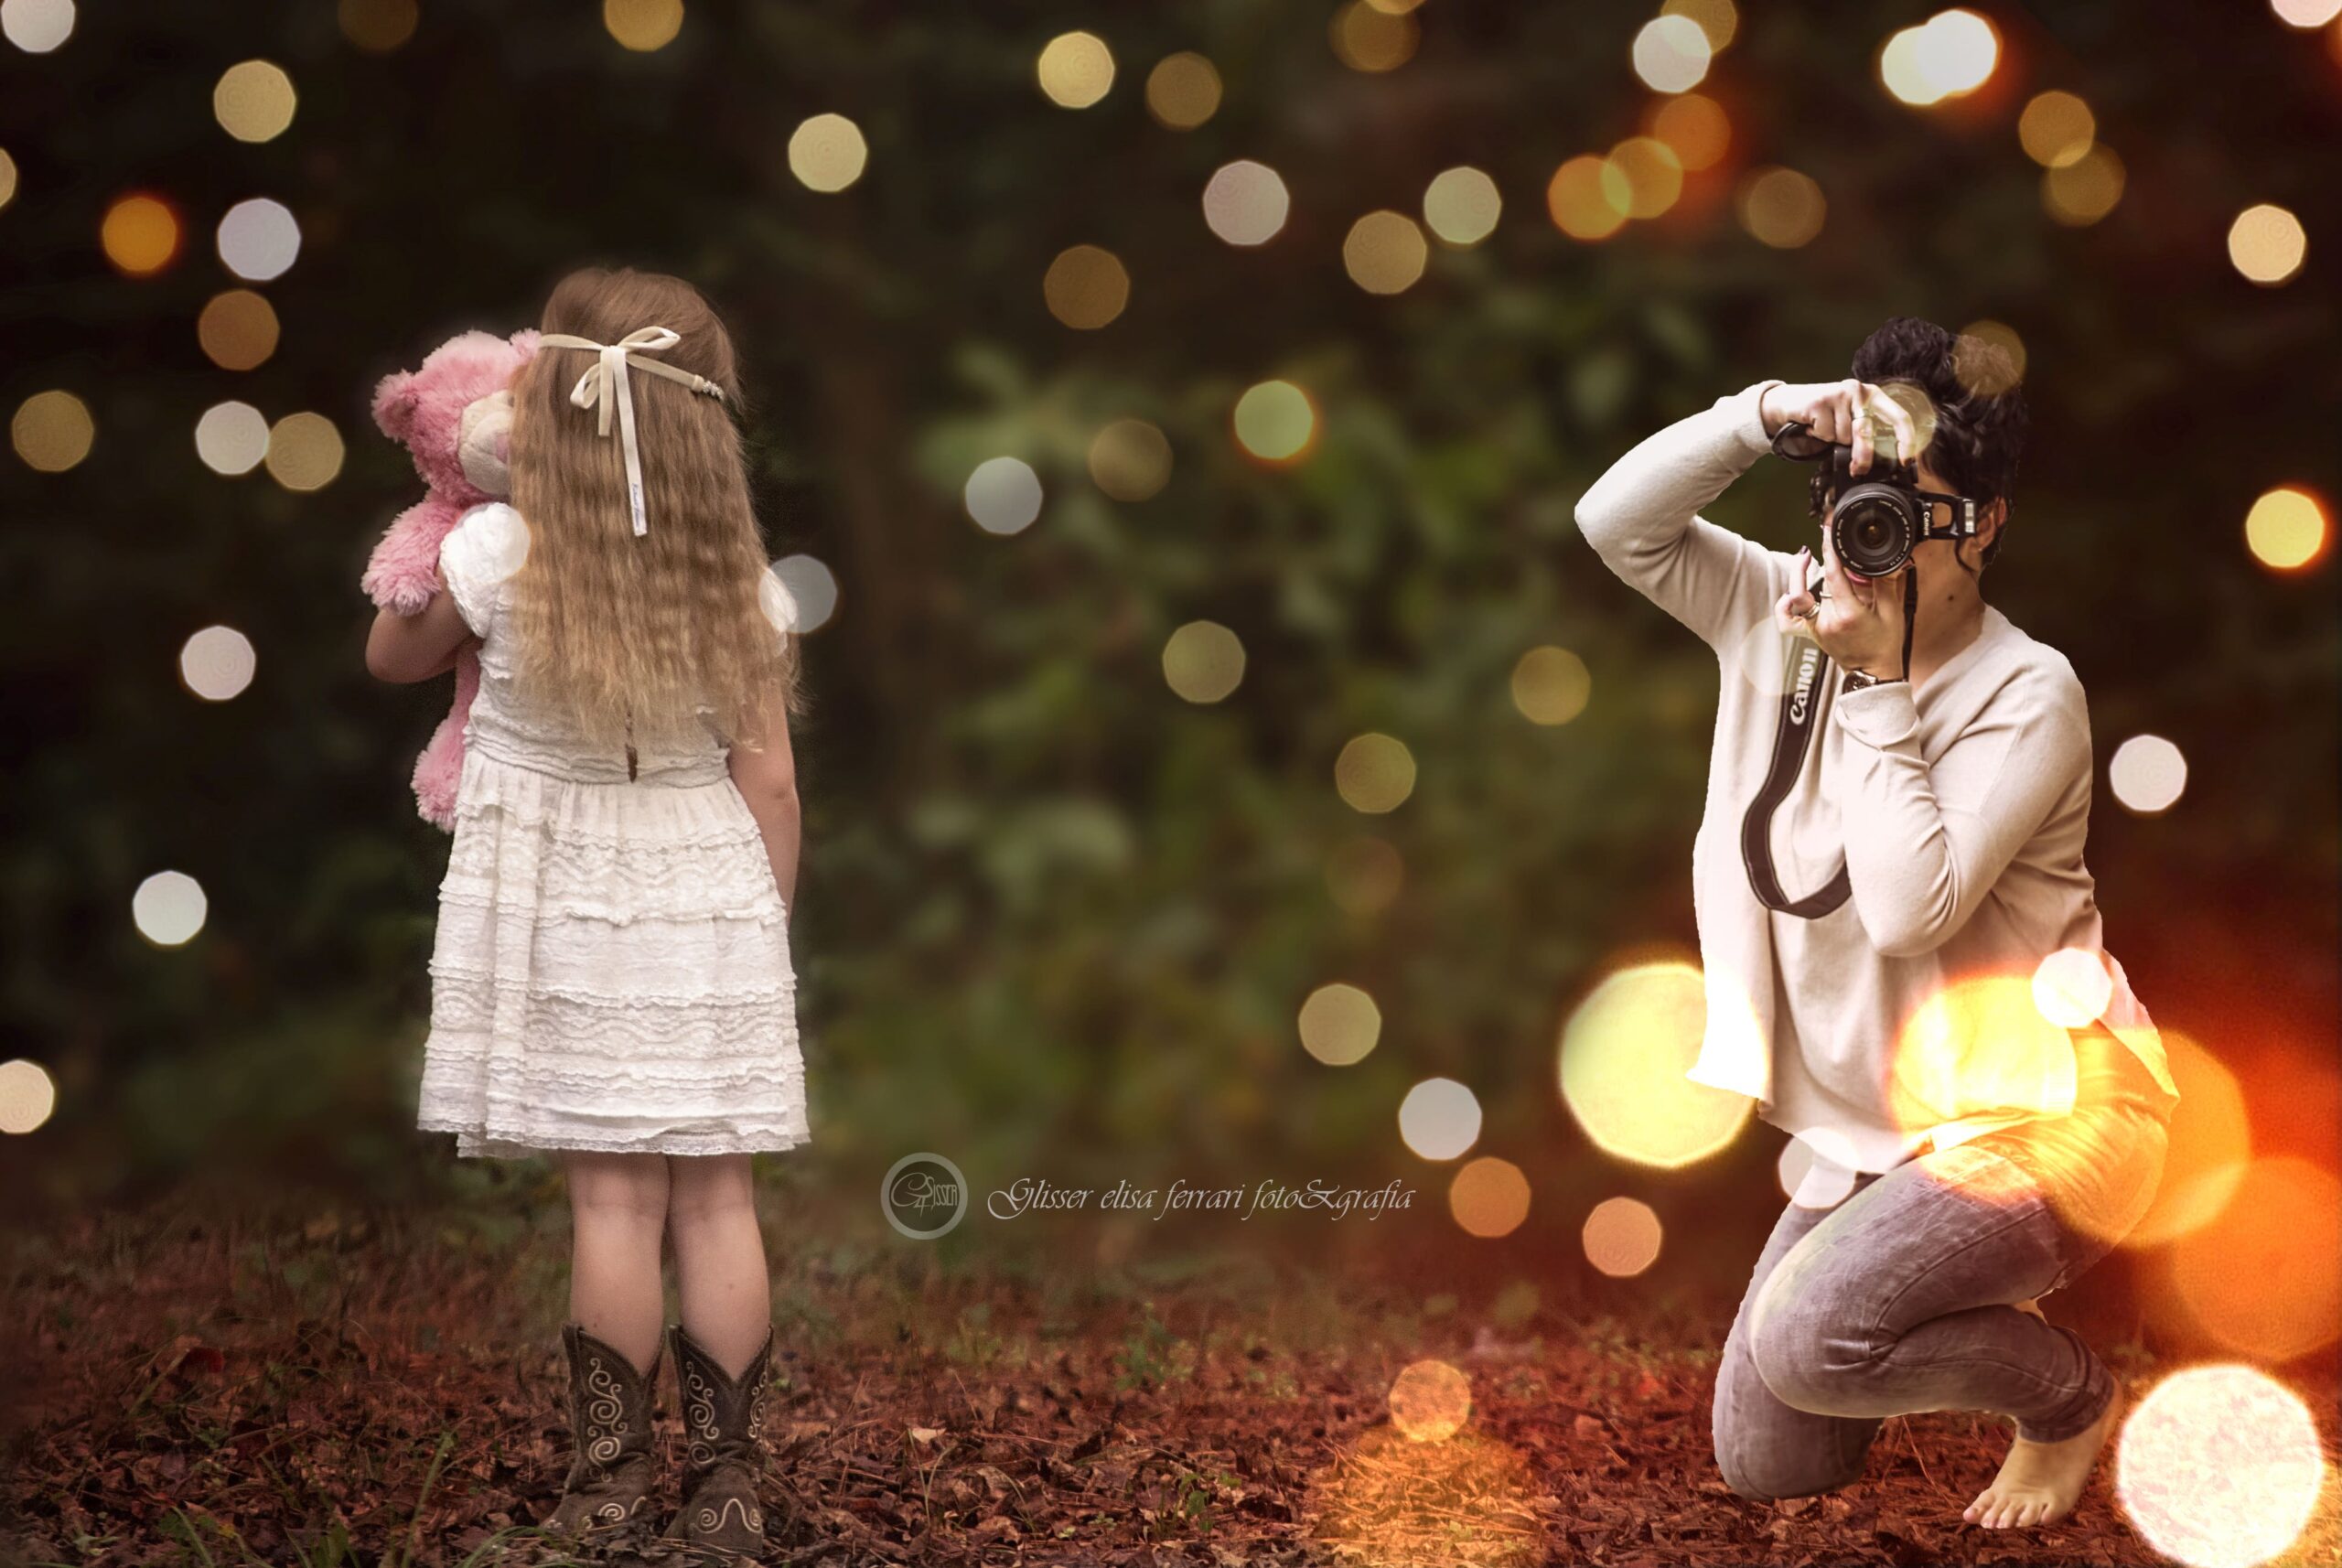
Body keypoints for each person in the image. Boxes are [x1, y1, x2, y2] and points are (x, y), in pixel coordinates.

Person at [1573, 317, 2182, 1531]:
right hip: (1885, 1134)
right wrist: (1766, 414)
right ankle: (1933, 1286)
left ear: (1989, 522)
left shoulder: (2028, 691)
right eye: (1857, 505)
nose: (1872, 544)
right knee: (1767, 1451)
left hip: (2061, 1114)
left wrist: (1877, 685)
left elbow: (1911, 910)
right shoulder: (1777, 611)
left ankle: (2065, 1398)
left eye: (1916, 515)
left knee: (1810, 1339)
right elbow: (1613, 523)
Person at [365, 266, 810, 1557]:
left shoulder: (496, 554)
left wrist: (455, 500)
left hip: (563, 889)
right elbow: (768, 774)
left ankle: (609, 1485)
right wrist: (755, 926)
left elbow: (393, 654)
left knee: (612, 1201)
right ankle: (727, 1485)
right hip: (708, 877)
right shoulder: (742, 584)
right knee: (716, 1194)